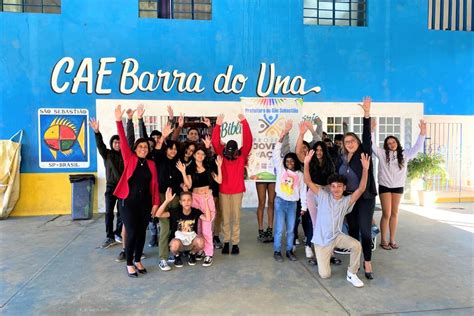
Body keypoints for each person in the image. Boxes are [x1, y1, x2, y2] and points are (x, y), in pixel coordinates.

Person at [304, 150, 370, 287]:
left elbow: (361, 188)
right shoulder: (323, 196)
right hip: (322, 241)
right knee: (325, 275)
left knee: (357, 245)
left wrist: (365, 169)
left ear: (344, 187)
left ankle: (351, 273)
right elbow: (308, 181)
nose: (336, 189)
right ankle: (325, 257)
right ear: (329, 187)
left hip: (337, 237)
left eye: (339, 186)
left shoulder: (346, 201)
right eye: (333, 186)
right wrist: (306, 163)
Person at [113, 105, 160, 278]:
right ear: (135, 149)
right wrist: (121, 120)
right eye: (140, 147)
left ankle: (138, 259)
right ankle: (129, 263)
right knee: (131, 232)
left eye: (145, 148)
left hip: (145, 203)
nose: (143, 149)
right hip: (128, 202)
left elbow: (154, 185)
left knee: (141, 232)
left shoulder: (151, 164)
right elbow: (125, 141)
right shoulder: (129, 158)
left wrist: (155, 203)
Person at [336, 96, 378, 279]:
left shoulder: (363, 153)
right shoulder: (342, 159)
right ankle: (355, 263)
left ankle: (367, 262)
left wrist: (366, 114)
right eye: (347, 142)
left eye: (352, 141)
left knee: (365, 231)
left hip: (365, 198)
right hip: (349, 199)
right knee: (352, 232)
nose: (350, 143)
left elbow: (367, 137)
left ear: (358, 143)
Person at [372, 119, 426, 249]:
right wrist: (371, 130)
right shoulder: (381, 153)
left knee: (395, 213)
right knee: (387, 213)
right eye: (389, 143)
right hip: (385, 186)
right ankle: (383, 240)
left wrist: (422, 133)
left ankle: (392, 239)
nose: (391, 144)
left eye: (393, 142)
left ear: (397, 143)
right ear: (386, 145)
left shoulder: (405, 154)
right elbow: (372, 145)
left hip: (398, 187)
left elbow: (417, 147)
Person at [211, 113, 252, 255]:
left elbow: (248, 141)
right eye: (227, 152)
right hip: (224, 191)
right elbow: (215, 142)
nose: (229, 155)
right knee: (226, 218)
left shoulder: (241, 157)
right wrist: (218, 126)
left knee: (236, 217)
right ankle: (226, 241)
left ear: (236, 151)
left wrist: (244, 122)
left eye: (231, 153)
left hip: (237, 191)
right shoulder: (221, 156)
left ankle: (235, 243)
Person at [179, 146, 222, 267]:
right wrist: (183, 172)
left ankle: (209, 253)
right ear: (194, 155)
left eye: (202, 154)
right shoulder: (190, 169)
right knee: (198, 228)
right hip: (195, 199)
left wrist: (219, 166)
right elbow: (189, 184)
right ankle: (200, 249)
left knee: (207, 228)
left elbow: (219, 180)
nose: (200, 156)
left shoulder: (209, 168)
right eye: (198, 153)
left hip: (207, 199)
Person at [272, 120, 307, 262]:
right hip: (280, 202)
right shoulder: (281, 169)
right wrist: (284, 133)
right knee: (279, 229)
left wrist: (303, 206)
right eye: (288, 161)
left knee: (291, 229)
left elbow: (303, 190)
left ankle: (289, 251)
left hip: (293, 204)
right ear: (284, 162)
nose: (290, 163)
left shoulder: (299, 174)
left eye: (292, 161)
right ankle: (277, 251)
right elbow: (276, 152)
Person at [154, 188, 210, 268]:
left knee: (201, 241)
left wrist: (206, 201)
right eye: (184, 200)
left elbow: (208, 218)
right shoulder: (175, 212)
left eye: (188, 200)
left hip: (191, 242)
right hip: (179, 242)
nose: (186, 202)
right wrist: (167, 201)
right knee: (174, 244)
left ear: (192, 201)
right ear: (180, 202)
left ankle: (192, 253)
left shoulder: (195, 211)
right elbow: (158, 215)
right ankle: (176, 255)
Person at [89, 118, 124, 249]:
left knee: (121, 212)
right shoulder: (107, 154)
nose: (118, 144)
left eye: (120, 142)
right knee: (109, 212)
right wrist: (97, 132)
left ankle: (118, 233)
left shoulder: (125, 156)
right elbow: (100, 145)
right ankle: (109, 236)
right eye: (115, 142)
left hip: (122, 188)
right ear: (112, 143)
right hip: (110, 187)